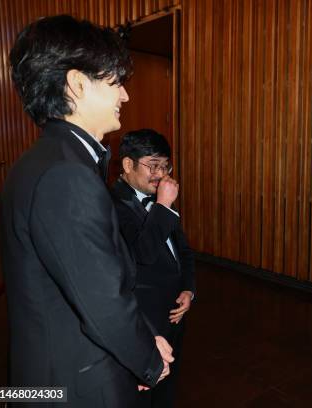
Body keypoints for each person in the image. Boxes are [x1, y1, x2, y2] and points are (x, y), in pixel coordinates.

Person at [0, 15, 173, 407]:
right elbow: (102, 300)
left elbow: (93, 279)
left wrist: (145, 339)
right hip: (73, 385)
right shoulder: (66, 174)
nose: (125, 96)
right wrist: (146, 360)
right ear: (77, 83)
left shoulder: (43, 160)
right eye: (115, 82)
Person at [111, 129, 196, 408]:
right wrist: (163, 206)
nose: (161, 174)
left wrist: (188, 289)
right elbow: (142, 254)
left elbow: (182, 250)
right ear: (127, 165)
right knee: (142, 394)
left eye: (165, 165)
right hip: (144, 321)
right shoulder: (114, 204)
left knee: (167, 388)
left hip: (172, 315)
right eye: (153, 165)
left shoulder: (159, 200)